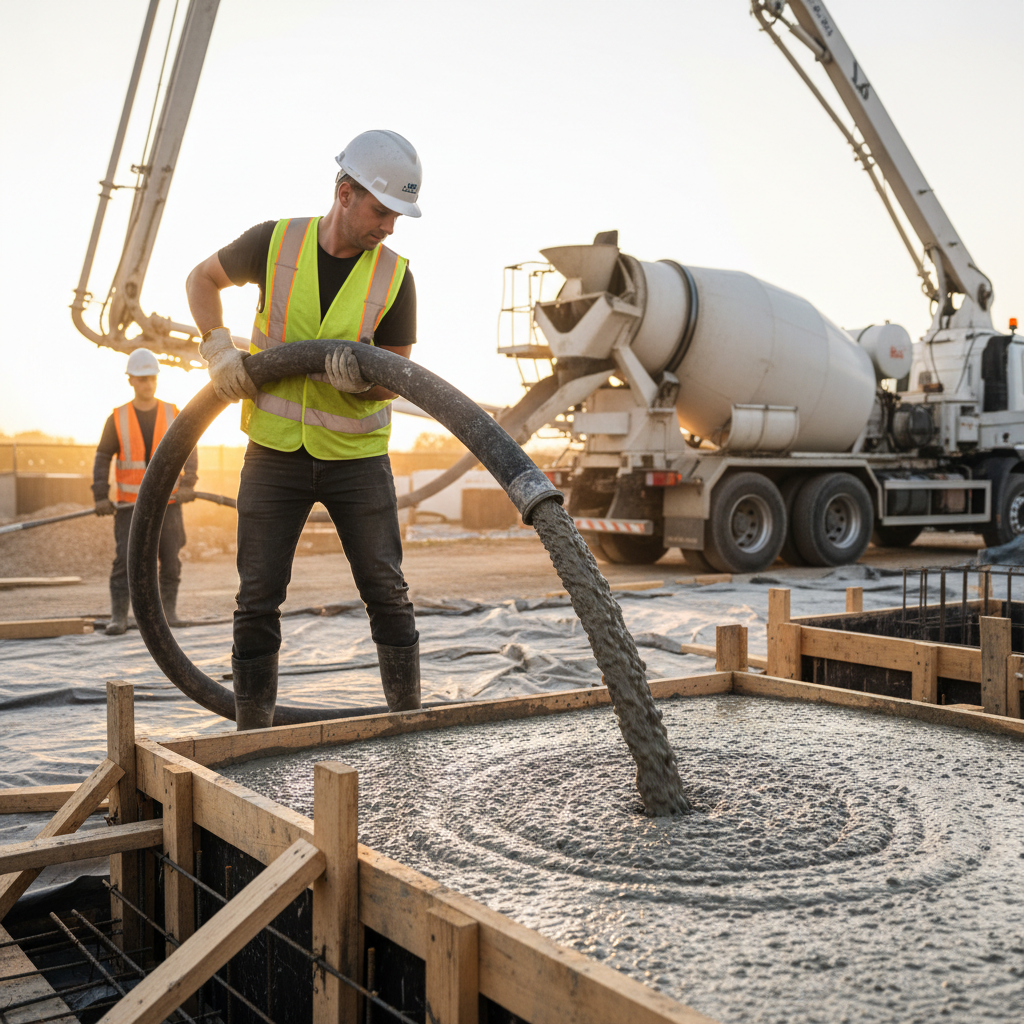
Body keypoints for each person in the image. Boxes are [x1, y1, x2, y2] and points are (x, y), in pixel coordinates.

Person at [185, 129, 422, 731]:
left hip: (357, 457)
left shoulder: (395, 275)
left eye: (397, 215)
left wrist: (363, 382)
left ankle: (408, 729)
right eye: (380, 210)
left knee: (387, 594)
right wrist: (217, 348)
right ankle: (253, 734)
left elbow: (398, 372)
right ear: (345, 192)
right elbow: (200, 280)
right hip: (274, 452)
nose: (388, 227)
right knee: (257, 599)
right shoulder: (274, 242)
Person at [93, 348, 198, 635]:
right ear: (131, 381)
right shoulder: (117, 418)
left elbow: (190, 447)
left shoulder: (172, 412)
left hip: (169, 504)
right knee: (125, 561)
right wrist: (100, 495)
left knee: (171, 560)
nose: (147, 384)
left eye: (151, 378)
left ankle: (169, 614)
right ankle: (119, 617)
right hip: (130, 505)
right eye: (141, 379)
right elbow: (103, 456)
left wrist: (189, 483)